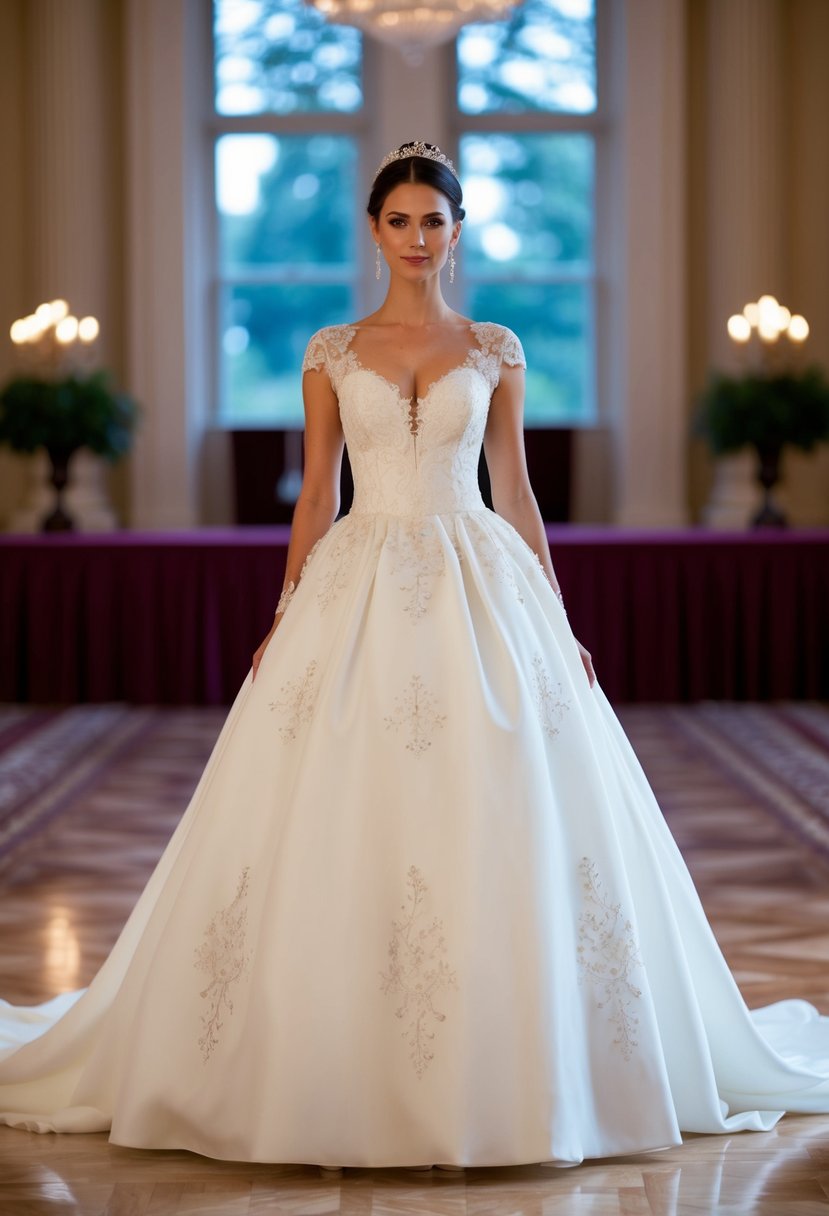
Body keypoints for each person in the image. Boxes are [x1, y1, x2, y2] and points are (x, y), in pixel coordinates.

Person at [0, 140, 828, 1170]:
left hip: (480, 576)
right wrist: (284, 609)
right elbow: (314, 493)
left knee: (502, 798)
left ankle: (527, 1060)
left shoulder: (495, 348)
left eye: (433, 221)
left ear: (458, 229)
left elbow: (516, 491)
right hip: (358, 578)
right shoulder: (330, 351)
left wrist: (557, 618)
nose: (417, 239)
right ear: (375, 231)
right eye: (399, 221)